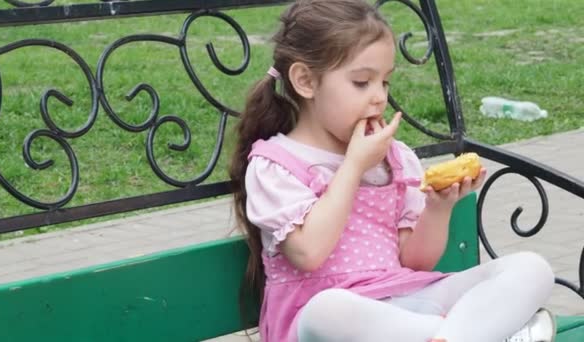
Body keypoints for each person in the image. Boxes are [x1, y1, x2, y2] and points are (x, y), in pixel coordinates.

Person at [229, 1, 556, 341]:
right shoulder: (276, 164)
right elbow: (309, 253)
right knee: (329, 309)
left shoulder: (395, 160)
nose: (379, 98)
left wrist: (438, 208)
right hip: (331, 324)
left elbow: (415, 264)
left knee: (532, 269)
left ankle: (451, 336)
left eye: (384, 82)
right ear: (305, 81)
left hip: (406, 306)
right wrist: (354, 166)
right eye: (361, 82)